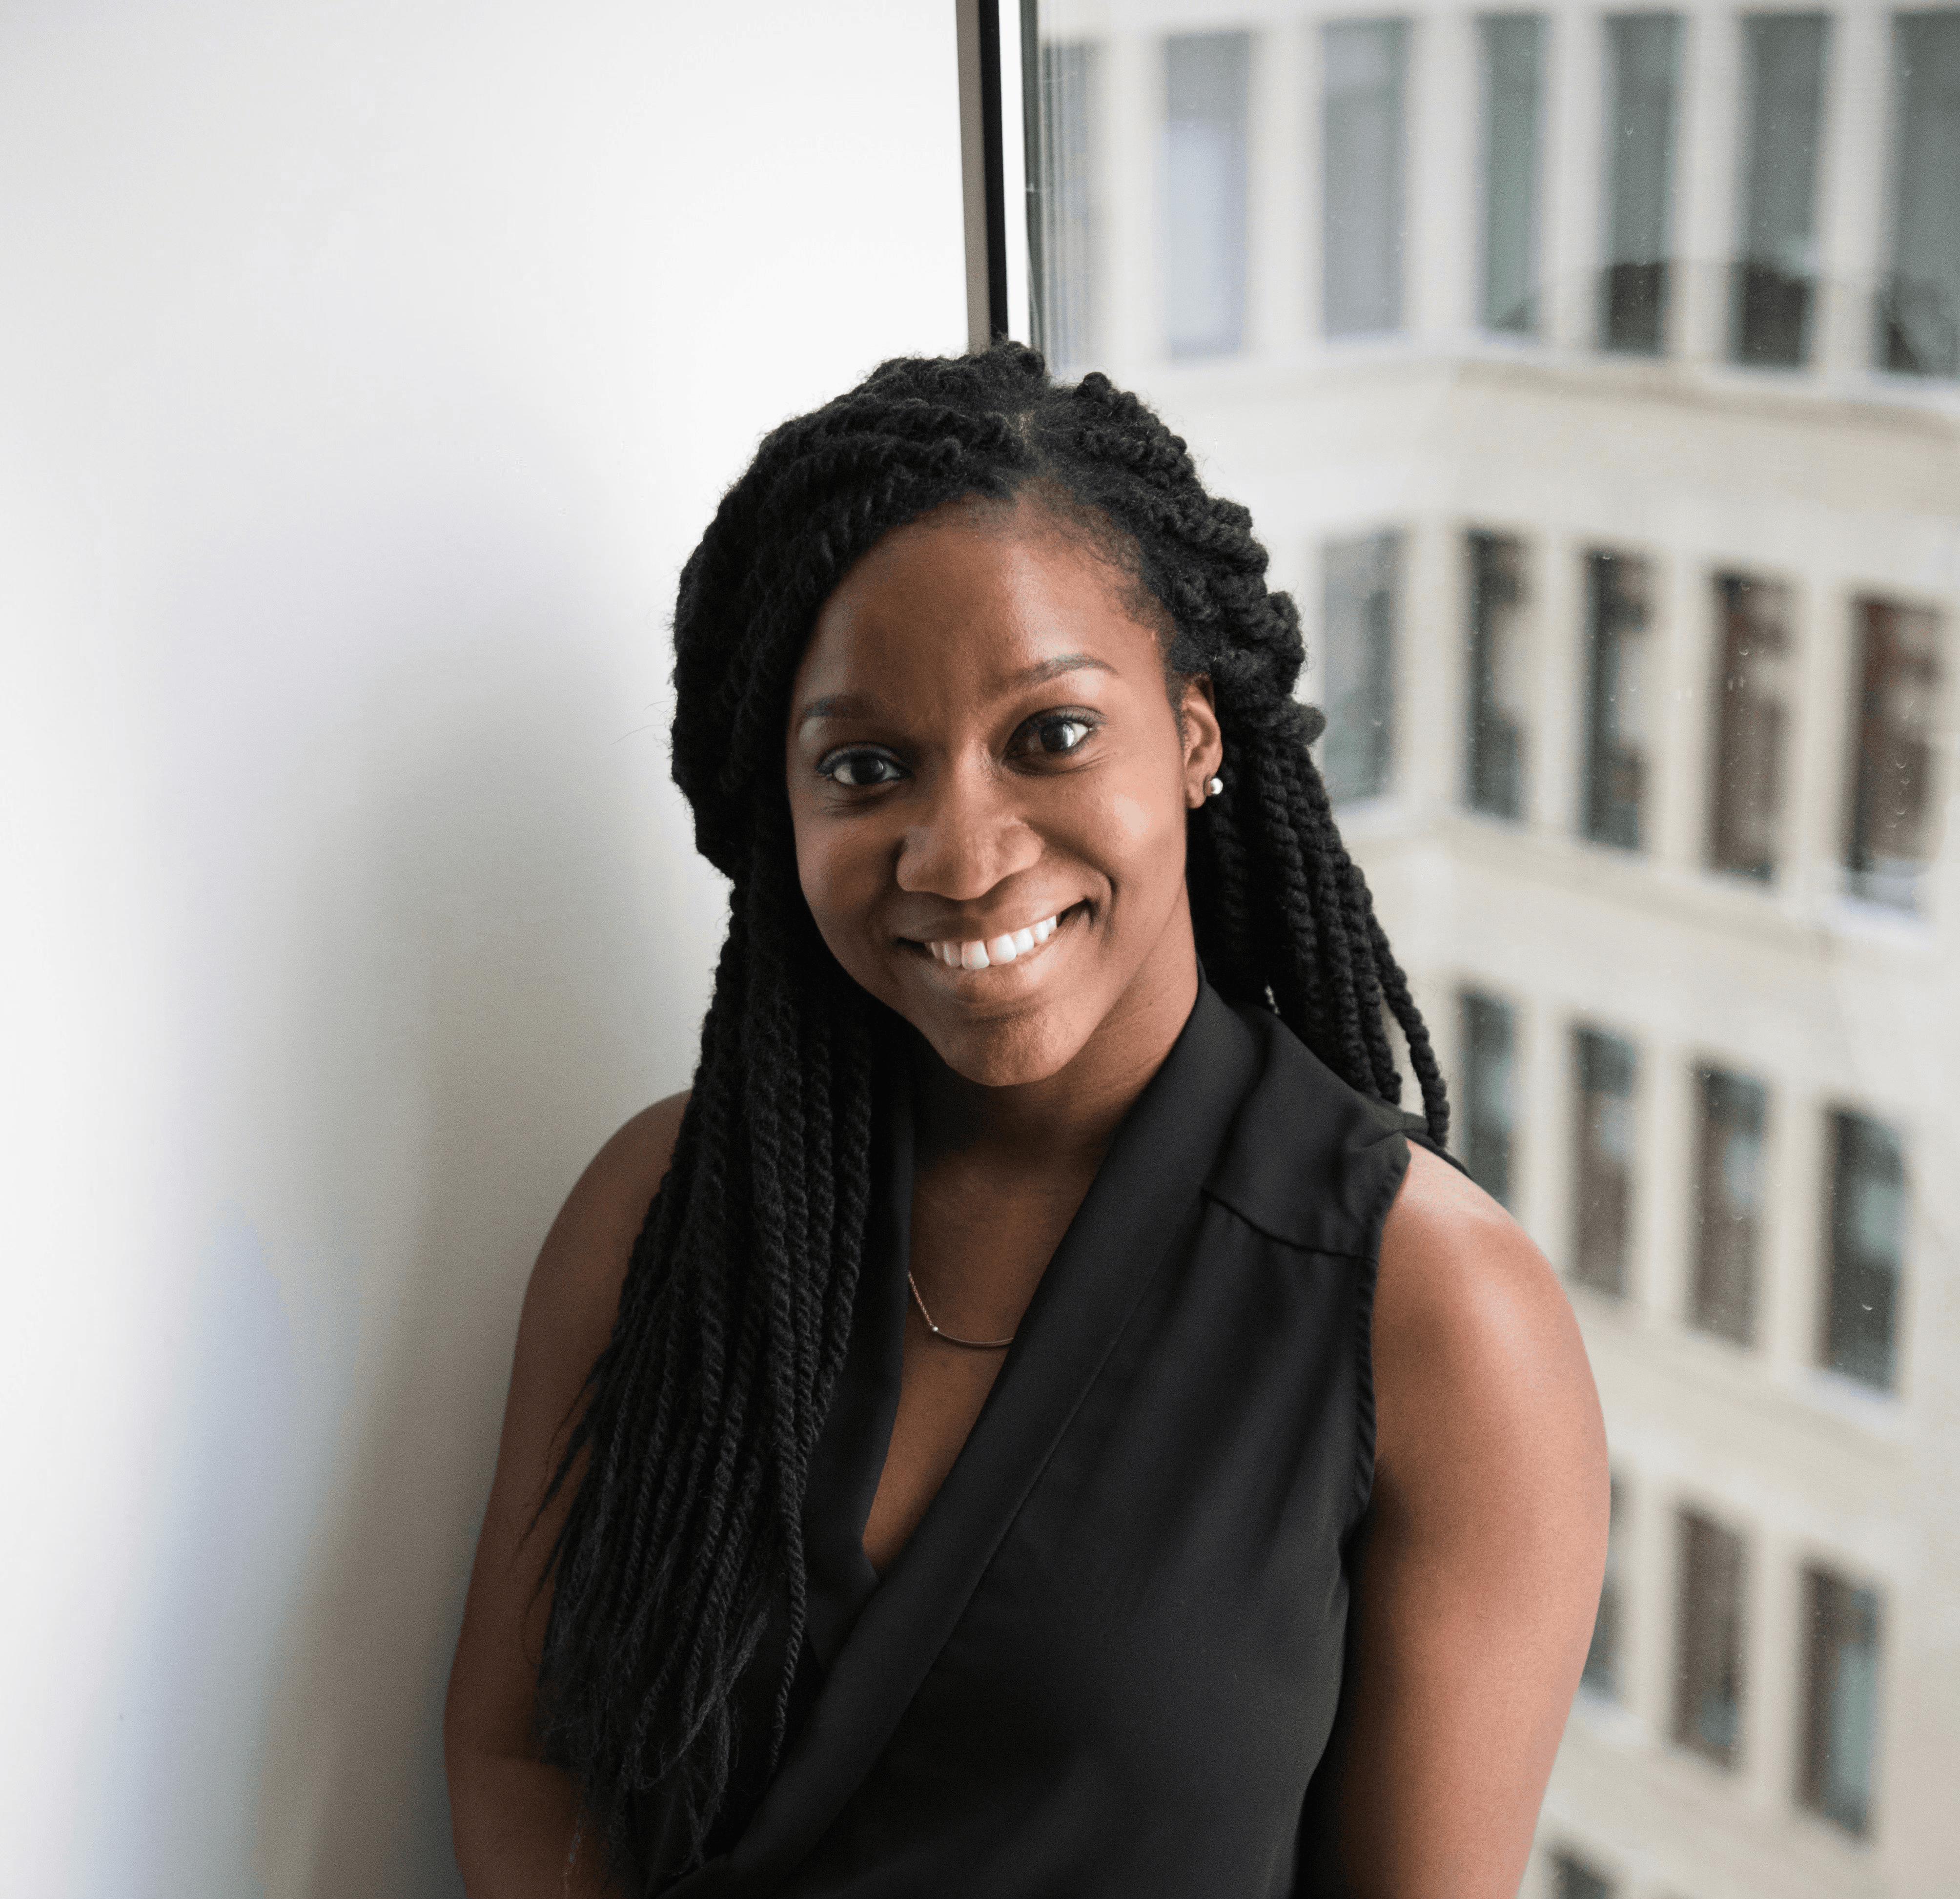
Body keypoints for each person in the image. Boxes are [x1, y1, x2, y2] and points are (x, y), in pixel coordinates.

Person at [444, 345, 1609, 1898]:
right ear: (779, 813)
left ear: (1196, 735)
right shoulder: (666, 1206)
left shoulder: (1436, 1311)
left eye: (1049, 735)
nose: (964, 852)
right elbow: (522, 1753)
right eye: (868, 769)